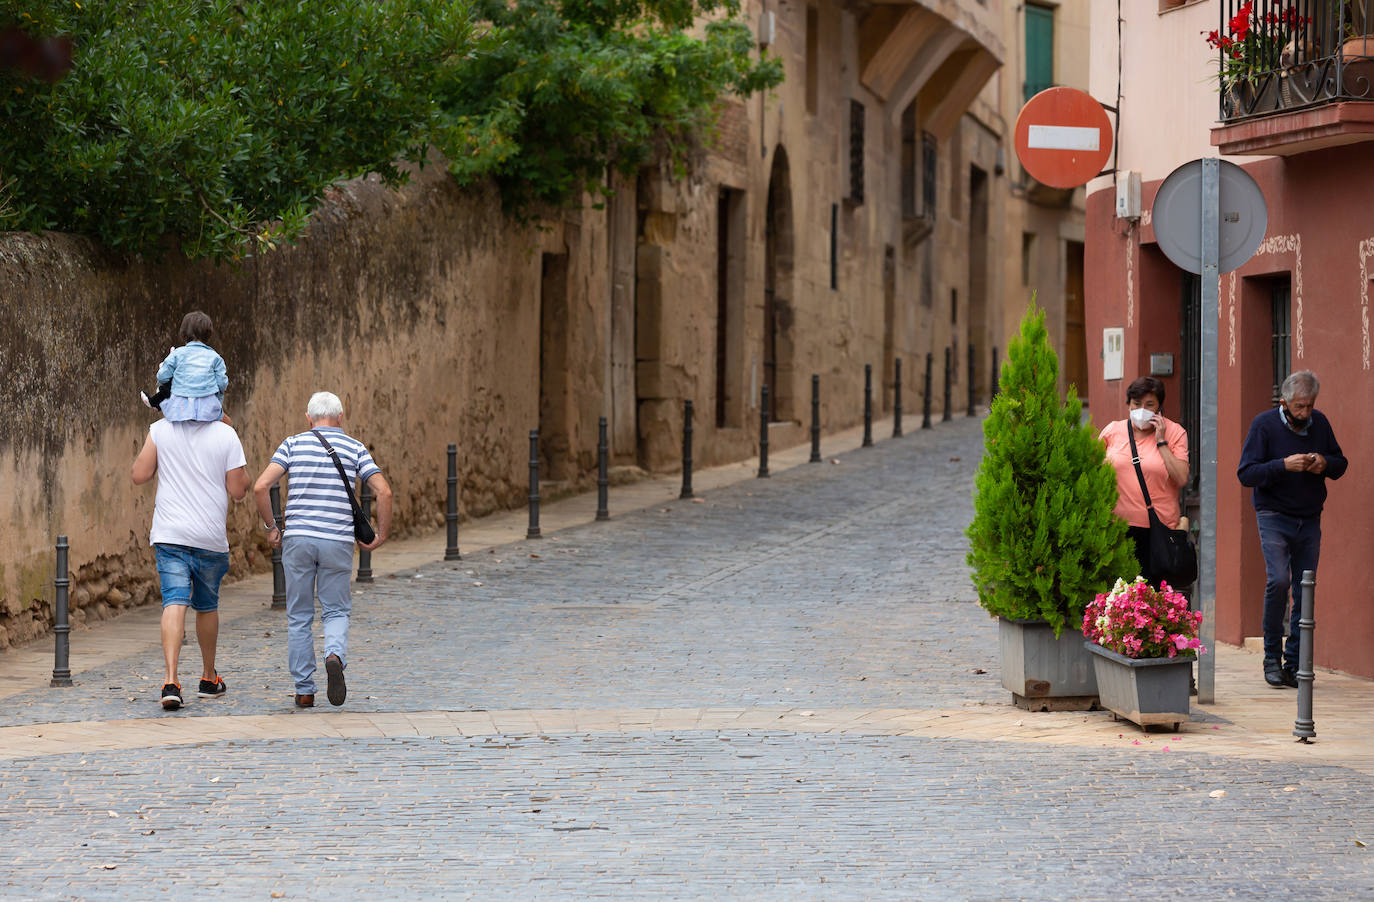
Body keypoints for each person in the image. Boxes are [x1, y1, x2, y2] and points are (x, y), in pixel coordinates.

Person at [253, 392, 392, 708]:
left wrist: (271, 526)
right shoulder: (355, 448)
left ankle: (304, 690)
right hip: (337, 541)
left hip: (298, 540)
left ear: (308, 419)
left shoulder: (292, 444)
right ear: (341, 418)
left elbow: (261, 486)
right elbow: (384, 491)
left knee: (299, 614)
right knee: (336, 609)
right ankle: (334, 655)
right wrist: (381, 534)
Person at [131, 415, 250, 710]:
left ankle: (170, 681)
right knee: (207, 605)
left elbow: (139, 474)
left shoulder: (160, 429)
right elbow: (238, 490)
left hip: (170, 534)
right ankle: (209, 678)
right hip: (209, 536)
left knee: (174, 602)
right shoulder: (226, 434)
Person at [1237, 370, 1347, 689]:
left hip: (1310, 517)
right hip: (1273, 514)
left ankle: (1295, 663)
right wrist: (1283, 465)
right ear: (1283, 402)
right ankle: (1272, 657)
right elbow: (1246, 473)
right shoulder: (1264, 425)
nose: (1305, 413)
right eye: (1299, 407)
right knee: (1279, 580)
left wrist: (1324, 463)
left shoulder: (1321, 423)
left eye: (1310, 406)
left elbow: (1341, 464)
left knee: (1304, 589)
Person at [1099, 376, 1190, 585]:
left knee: (1150, 596)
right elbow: (1093, 469)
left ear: (1159, 407)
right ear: (1129, 405)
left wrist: (1161, 441)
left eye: (1150, 405)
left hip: (1157, 530)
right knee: (1118, 595)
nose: (1142, 410)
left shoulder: (1175, 432)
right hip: (1117, 527)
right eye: (1137, 404)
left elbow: (1182, 477)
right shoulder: (1113, 430)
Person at [140, 310, 229, 422]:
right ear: (209, 334)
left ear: (183, 334)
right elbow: (222, 384)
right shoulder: (216, 357)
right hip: (209, 412)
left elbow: (162, 376)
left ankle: (159, 402)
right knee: (228, 423)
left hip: (178, 410)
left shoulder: (177, 354)